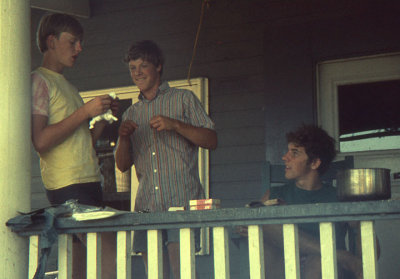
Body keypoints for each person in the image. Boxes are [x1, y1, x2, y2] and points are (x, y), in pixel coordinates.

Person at [115, 40, 217, 279]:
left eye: (143, 65)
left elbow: (211, 140)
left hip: (181, 201)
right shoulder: (131, 112)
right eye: (132, 68)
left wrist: (175, 124)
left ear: (158, 66)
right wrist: (124, 138)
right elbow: (121, 165)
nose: (137, 72)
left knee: (182, 274)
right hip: (146, 206)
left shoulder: (184, 98)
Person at [31, 13, 118, 279]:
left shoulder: (69, 86)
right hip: (68, 187)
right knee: (109, 260)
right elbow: (41, 141)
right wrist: (85, 111)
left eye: (80, 42)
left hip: (88, 182)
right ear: (52, 41)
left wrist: (99, 122)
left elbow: (80, 144)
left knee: (79, 269)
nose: (80, 48)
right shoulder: (39, 81)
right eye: (73, 41)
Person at [240, 125, 378, 279]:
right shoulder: (275, 195)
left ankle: (331, 255)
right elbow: (246, 228)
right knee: (261, 223)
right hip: (286, 269)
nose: (285, 157)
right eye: (288, 151)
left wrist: (360, 222)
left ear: (314, 163)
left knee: (318, 261)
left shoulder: (339, 197)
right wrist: (246, 226)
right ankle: (338, 255)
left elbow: (372, 255)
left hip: (327, 269)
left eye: (295, 152)